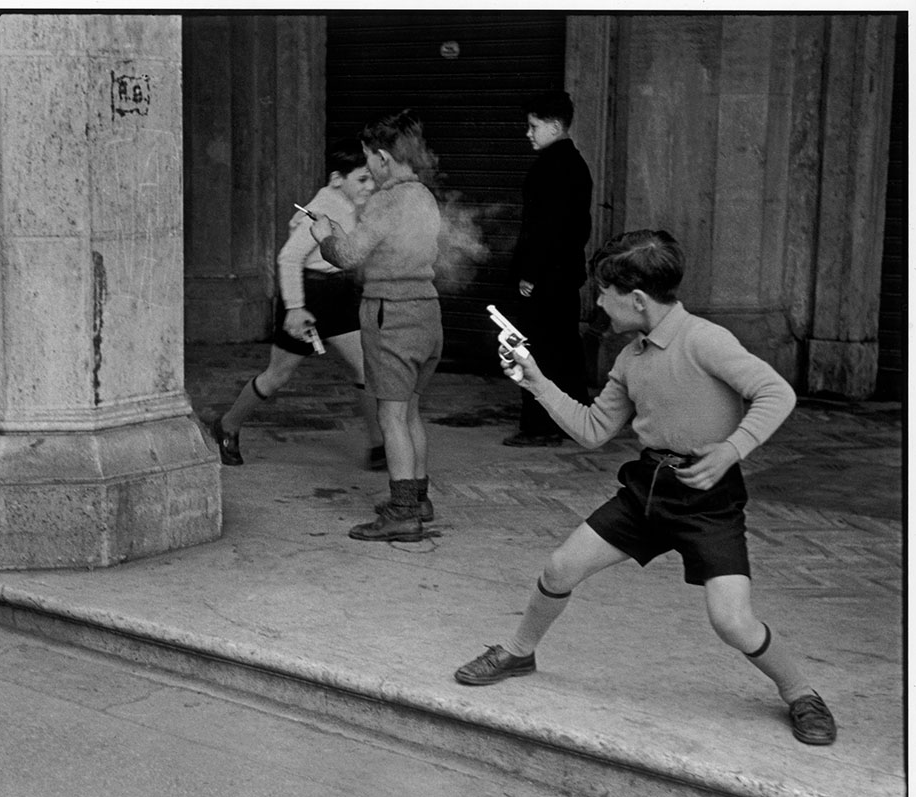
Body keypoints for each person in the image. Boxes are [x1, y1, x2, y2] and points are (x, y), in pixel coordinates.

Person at [454, 230, 837, 746]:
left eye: (603, 295)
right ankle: (520, 652)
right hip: (647, 489)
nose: (599, 305)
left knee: (732, 622)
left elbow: (776, 392)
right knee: (559, 567)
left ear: (635, 299)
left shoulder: (706, 339)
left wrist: (730, 450)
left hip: (709, 501)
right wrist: (535, 381)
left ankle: (802, 693)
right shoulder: (629, 359)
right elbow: (592, 430)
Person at [210, 138, 383, 469]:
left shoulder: (351, 205)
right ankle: (227, 426)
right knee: (278, 376)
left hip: (338, 294)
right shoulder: (323, 208)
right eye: (362, 179)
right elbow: (288, 258)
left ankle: (380, 446)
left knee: (365, 368)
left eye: (372, 177)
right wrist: (295, 308)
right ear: (337, 179)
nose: (370, 185)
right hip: (308, 296)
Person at [313, 109, 442, 542]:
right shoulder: (423, 195)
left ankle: (403, 513)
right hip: (427, 311)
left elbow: (348, 256)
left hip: (393, 314)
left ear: (383, 157)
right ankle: (418, 498)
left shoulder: (387, 199)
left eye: (369, 157)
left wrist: (325, 236)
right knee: (411, 411)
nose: (367, 166)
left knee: (390, 416)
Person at [505, 90, 593, 447]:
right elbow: (576, 228)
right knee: (565, 348)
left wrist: (530, 273)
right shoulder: (575, 163)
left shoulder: (551, 167)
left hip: (545, 277)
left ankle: (540, 426)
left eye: (533, 126)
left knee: (538, 350)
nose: (528, 133)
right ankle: (572, 420)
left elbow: (544, 227)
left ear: (555, 126)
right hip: (564, 274)